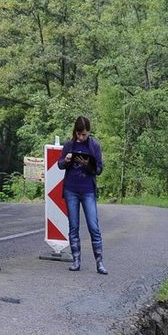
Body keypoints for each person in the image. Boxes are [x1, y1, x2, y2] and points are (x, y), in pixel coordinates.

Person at [58, 117, 107, 274]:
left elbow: (99, 169)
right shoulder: (69, 145)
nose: (81, 137)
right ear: (75, 132)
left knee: (94, 226)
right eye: (79, 134)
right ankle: (76, 260)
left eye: (84, 134)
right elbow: (59, 165)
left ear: (89, 132)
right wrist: (66, 160)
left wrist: (88, 165)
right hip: (71, 189)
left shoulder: (94, 146)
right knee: (73, 227)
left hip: (88, 190)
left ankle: (99, 263)